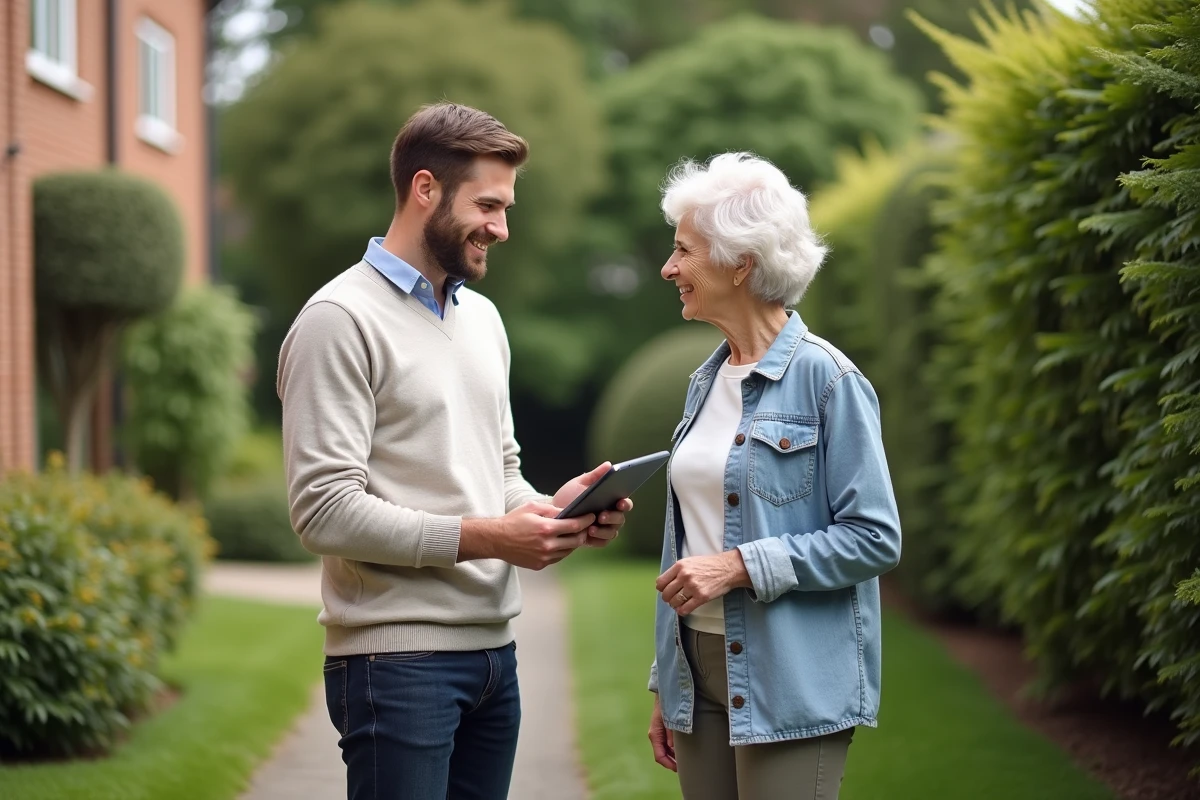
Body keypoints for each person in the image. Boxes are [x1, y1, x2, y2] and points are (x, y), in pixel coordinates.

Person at [277, 102, 630, 800]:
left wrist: (549, 511)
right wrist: (491, 537)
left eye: (506, 207)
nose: (502, 228)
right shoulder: (338, 321)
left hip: (494, 656)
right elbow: (322, 511)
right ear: (426, 189)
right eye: (489, 205)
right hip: (396, 663)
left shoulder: (483, 319)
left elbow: (497, 469)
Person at [645, 152, 902, 800]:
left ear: (741, 263)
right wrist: (665, 683)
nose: (668, 268)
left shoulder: (829, 380)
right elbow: (692, 539)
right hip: (695, 673)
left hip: (791, 678)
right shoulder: (704, 382)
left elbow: (875, 538)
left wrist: (739, 566)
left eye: (683, 251)